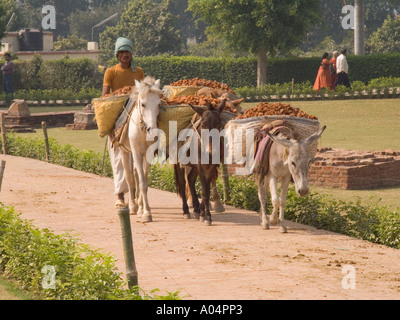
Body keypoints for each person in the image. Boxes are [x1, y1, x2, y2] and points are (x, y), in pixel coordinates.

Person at [102, 37, 145, 207]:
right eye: (122, 52)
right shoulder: (110, 71)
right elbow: (105, 94)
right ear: (117, 55)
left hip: (135, 110)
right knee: (119, 158)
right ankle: (120, 195)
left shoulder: (139, 71)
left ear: (131, 53)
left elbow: (143, 92)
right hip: (118, 114)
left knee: (138, 158)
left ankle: (136, 194)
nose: (125, 55)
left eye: (127, 52)